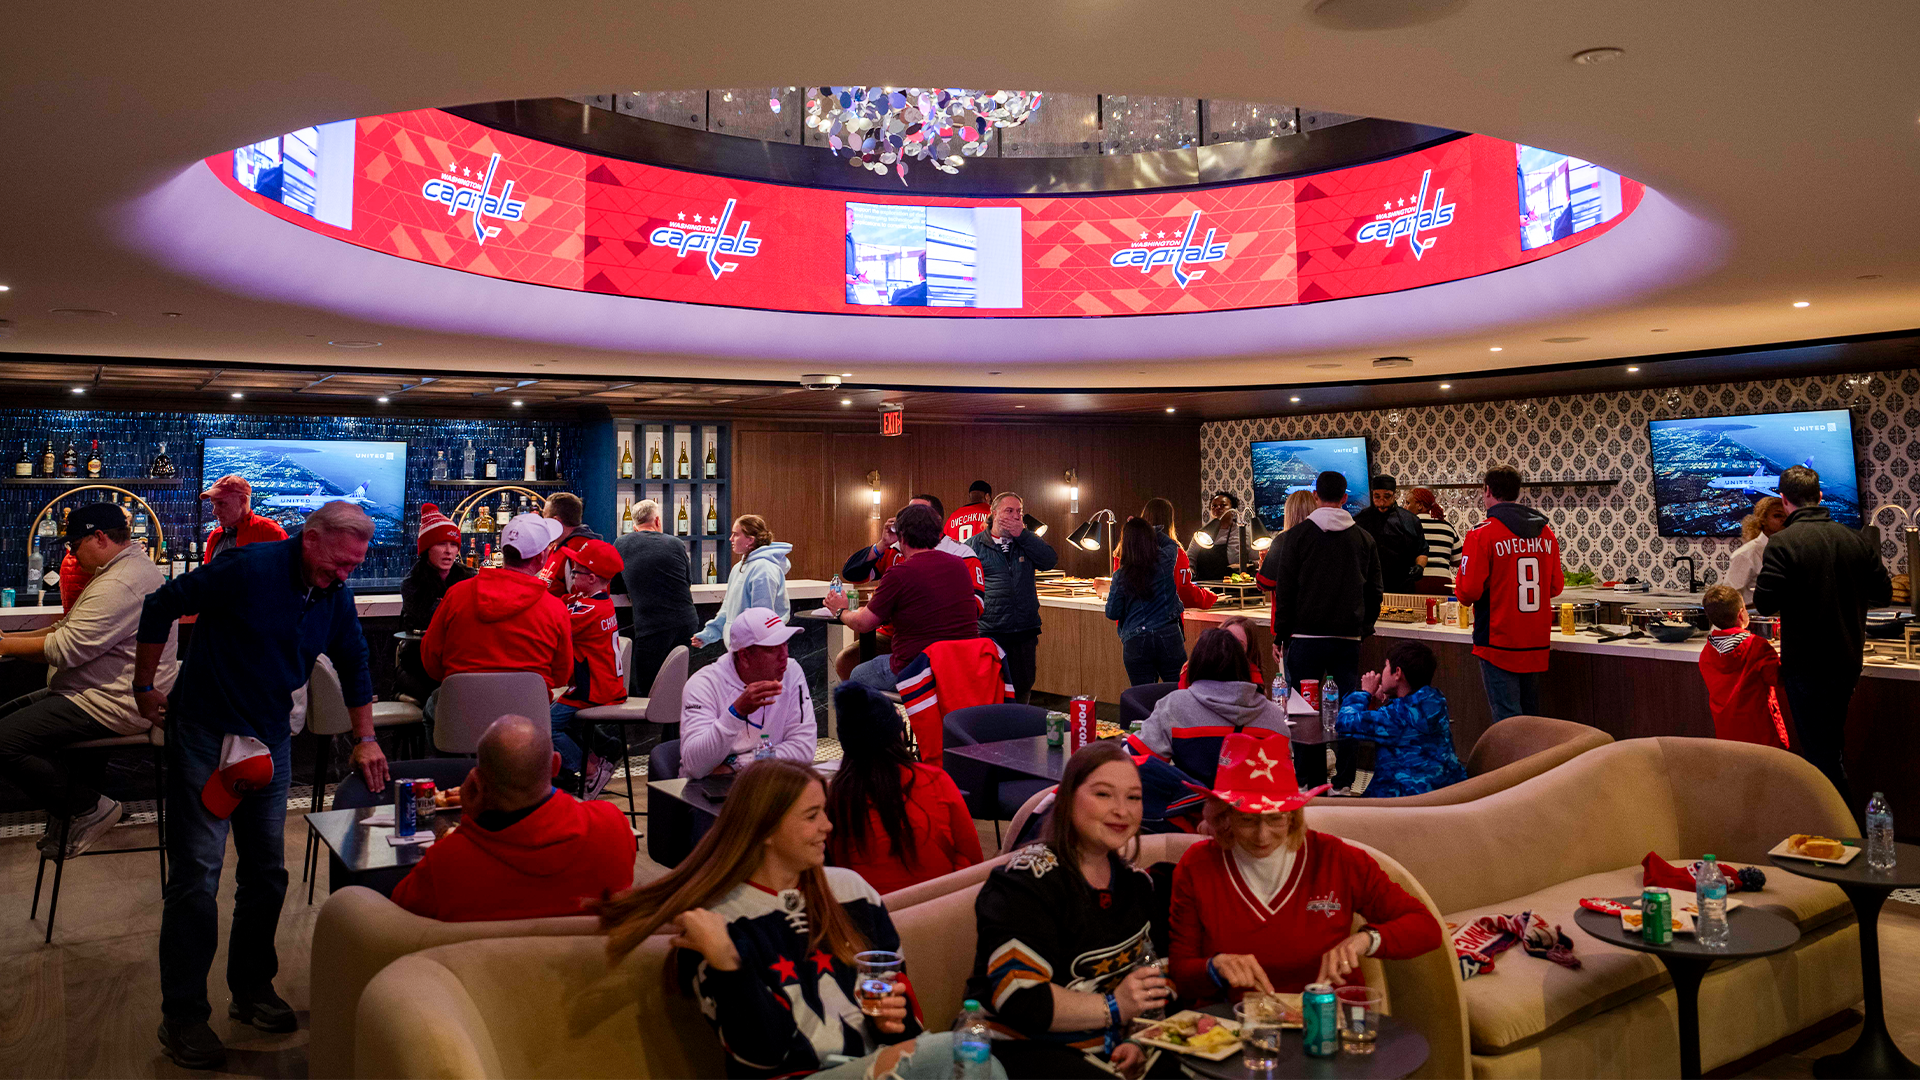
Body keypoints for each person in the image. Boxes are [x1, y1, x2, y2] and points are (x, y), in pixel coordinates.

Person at [133, 501, 390, 1070]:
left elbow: (355, 661)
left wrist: (366, 738)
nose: (344, 575)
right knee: (198, 874)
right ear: (310, 539)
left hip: (269, 737)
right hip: (204, 730)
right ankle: (183, 1015)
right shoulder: (247, 567)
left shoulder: (333, 593)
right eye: (339, 563)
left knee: (267, 871)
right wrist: (144, 686)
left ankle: (251, 988)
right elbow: (161, 604)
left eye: (354, 566)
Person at [594, 759, 997, 1080]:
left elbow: (906, 1019)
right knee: (962, 1052)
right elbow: (761, 1056)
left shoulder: (853, 892)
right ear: (765, 829)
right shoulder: (715, 923)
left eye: (825, 812)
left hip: (877, 1067)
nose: (828, 826)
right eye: (812, 816)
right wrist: (727, 964)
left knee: (973, 1054)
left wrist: (893, 1020)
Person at [1168, 733, 1443, 1001]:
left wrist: (1365, 940)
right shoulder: (1197, 866)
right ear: (1224, 816)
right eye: (1247, 820)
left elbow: (1426, 928)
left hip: (1331, 1016)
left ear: (1294, 814)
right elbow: (1181, 974)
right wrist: (1213, 968)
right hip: (1236, 1022)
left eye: (1276, 818)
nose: (1262, 836)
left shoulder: (1337, 858)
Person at [967, 741, 1171, 1079]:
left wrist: (1139, 1039)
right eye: (1103, 794)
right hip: (1017, 1049)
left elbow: (1156, 978)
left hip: (1107, 1049)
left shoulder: (1138, 884)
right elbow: (1020, 997)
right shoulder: (1024, 883)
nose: (1122, 810)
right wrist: (1115, 1007)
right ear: (1066, 799)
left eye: (1133, 797)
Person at [0, 503, 178, 858]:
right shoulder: (121, 570)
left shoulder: (122, 582)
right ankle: (70, 810)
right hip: (93, 692)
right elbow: (64, 630)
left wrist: (4, 645)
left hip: (113, 702)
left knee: (3, 741)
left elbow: (65, 649)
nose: (71, 553)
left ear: (99, 537)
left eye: (74, 544)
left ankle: (87, 808)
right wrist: (6, 640)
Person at [389, 714, 635, 922]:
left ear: (476, 782)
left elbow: (398, 919)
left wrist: (469, 823)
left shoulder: (443, 865)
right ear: (555, 765)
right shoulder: (612, 826)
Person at [1754, 466, 1891, 801]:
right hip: (1848, 662)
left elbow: (1765, 603)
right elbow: (1883, 594)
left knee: (1821, 756)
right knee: (1829, 748)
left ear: (1784, 500)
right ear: (1819, 495)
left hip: (1806, 667)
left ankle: (1842, 828)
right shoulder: (1855, 538)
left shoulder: (1782, 542)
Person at [1257, 471, 1382, 785]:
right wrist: (1364, 627)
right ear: (1345, 498)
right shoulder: (1364, 538)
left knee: (1304, 711)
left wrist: (1281, 635)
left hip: (1305, 638)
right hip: (1347, 639)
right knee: (1348, 708)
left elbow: (1286, 590)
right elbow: (1375, 591)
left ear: (1315, 496)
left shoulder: (1297, 536)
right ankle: (1345, 779)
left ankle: (1309, 778)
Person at [825, 682, 982, 893]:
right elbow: (974, 858)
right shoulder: (936, 780)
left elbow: (836, 872)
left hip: (871, 910)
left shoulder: (835, 798)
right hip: (944, 904)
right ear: (898, 734)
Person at [420, 513, 573, 725]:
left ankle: (443, 749)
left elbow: (430, 661)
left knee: (432, 709)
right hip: (527, 727)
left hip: (462, 721)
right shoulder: (555, 609)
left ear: (504, 552)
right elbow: (561, 675)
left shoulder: (456, 594)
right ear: (541, 558)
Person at [827, 504, 980, 693]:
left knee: (857, 673)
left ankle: (888, 713)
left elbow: (863, 623)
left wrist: (841, 610)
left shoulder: (899, 573)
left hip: (918, 667)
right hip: (960, 664)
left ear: (901, 536)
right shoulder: (959, 565)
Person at [1455, 465, 1565, 722]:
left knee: (1508, 723)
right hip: (1535, 640)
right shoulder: (1545, 532)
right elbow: (1555, 587)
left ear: (1487, 490)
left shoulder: (1481, 533)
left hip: (1498, 641)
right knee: (1531, 719)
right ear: (1517, 492)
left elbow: (1467, 592)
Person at [1135, 627, 1289, 790]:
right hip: (1258, 805)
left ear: (1195, 664)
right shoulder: (1274, 716)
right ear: (1244, 665)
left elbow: (1135, 760)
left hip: (1193, 805)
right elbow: (1283, 781)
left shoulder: (1174, 706)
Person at [680, 608, 817, 779]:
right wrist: (736, 712)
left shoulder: (791, 671)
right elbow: (696, 766)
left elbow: (803, 749)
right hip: (708, 786)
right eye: (773, 649)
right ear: (744, 656)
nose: (784, 655)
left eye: (785, 644)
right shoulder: (703, 684)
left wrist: (738, 763)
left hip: (767, 781)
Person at [1335, 640, 1467, 798]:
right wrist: (1389, 701)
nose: (1382, 672)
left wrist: (1365, 693)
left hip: (1403, 801)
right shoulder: (1436, 702)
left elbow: (1344, 721)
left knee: (1325, 805)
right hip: (1447, 794)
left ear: (1397, 673)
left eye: (1386, 666)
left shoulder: (1396, 717)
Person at [553, 538, 627, 796]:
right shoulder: (597, 602)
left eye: (575, 571)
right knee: (564, 722)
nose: (572, 575)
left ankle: (592, 769)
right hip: (605, 683)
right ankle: (601, 755)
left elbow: (555, 625)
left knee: (545, 725)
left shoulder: (588, 611)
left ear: (592, 578)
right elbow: (566, 600)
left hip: (592, 688)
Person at [971, 491, 1057, 704]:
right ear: (994, 513)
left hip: (1024, 629)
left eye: (1019, 511)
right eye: (1009, 511)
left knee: (1023, 686)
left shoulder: (1026, 542)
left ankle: (1020, 722)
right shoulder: (974, 546)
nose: (1016, 516)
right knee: (990, 688)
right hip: (990, 631)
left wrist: (1024, 535)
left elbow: (1049, 561)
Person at [612, 499, 698, 695]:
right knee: (678, 683)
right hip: (686, 622)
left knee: (648, 688)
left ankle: (654, 716)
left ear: (634, 525)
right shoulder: (676, 543)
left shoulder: (622, 543)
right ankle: (675, 716)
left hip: (652, 626)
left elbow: (616, 584)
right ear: (657, 520)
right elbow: (688, 580)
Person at [395, 502, 473, 702]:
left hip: (462, 660)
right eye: (441, 544)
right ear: (427, 548)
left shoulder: (470, 578)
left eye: (453, 545)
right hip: (419, 663)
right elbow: (429, 621)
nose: (448, 551)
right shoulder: (412, 584)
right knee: (444, 698)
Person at [1697, 584, 1790, 750]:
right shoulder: (1757, 646)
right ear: (1741, 614)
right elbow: (1779, 678)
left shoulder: (1707, 653)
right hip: (1762, 735)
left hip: (1727, 735)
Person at [1105, 516, 1186, 686]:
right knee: (1178, 689)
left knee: (1143, 695)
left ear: (1126, 543)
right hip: (1168, 634)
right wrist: (1151, 529)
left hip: (1136, 639)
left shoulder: (1121, 575)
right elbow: (1171, 544)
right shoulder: (1164, 560)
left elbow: (1112, 613)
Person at [692, 515, 792, 650]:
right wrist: (709, 634)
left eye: (736, 534)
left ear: (750, 540)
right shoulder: (738, 567)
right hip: (738, 649)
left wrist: (756, 652)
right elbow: (727, 609)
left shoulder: (764, 569)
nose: (731, 539)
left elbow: (762, 618)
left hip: (756, 650)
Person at [1133, 498, 1217, 611]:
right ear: (1169, 522)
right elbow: (1183, 592)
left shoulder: (1127, 550)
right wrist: (1208, 596)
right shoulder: (1175, 553)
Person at [1354, 474, 1426, 593]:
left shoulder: (1410, 520)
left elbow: (1422, 551)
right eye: (1377, 497)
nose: (1382, 503)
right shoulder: (1360, 520)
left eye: (1387, 497)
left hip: (1402, 585)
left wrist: (1419, 567)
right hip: (1368, 586)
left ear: (1394, 495)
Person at [199, 474, 288, 564]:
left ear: (243, 500)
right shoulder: (215, 536)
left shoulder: (271, 533)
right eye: (213, 505)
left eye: (221, 503)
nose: (214, 512)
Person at [537, 492, 603, 596]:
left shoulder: (579, 550)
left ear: (555, 521)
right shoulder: (556, 545)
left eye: (544, 515)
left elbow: (583, 598)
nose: (542, 520)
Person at [1724, 496, 1787, 605]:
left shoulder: (1789, 549)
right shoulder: (1746, 554)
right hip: (1753, 613)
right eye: (1777, 516)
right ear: (1763, 520)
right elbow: (1730, 595)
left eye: (1787, 516)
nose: (1784, 520)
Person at [1176, 615, 1263, 688]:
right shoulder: (1193, 668)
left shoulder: (1253, 676)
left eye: (1239, 645)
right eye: (1227, 640)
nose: (1232, 648)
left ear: (1250, 650)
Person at [1404, 487, 1460, 596]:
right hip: (1443, 583)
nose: (1405, 507)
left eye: (1408, 503)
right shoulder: (1447, 527)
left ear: (1420, 505)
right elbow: (1458, 560)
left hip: (1416, 582)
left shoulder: (1408, 526)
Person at [1188, 492, 1252, 582]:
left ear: (1232, 510)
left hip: (1233, 585)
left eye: (1223, 505)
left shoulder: (1243, 533)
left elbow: (1255, 560)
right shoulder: (1201, 535)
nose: (1217, 508)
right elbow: (1190, 559)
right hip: (1205, 586)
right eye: (1214, 506)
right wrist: (1189, 573)